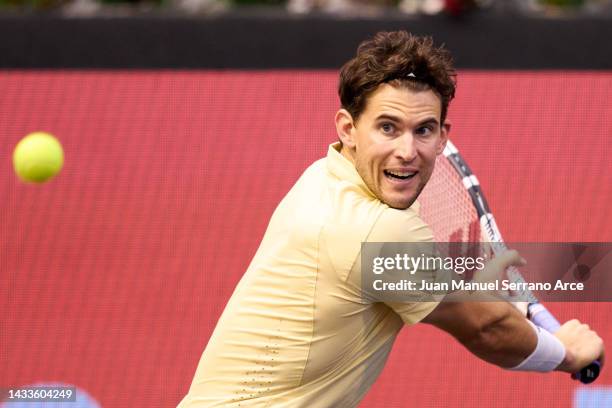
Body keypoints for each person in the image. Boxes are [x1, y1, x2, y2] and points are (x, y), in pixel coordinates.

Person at [178, 31, 604, 407]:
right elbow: (488, 327)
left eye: (423, 130)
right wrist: (565, 352)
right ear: (348, 128)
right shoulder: (376, 231)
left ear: (443, 137)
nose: (406, 150)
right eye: (387, 127)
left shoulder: (325, 177)